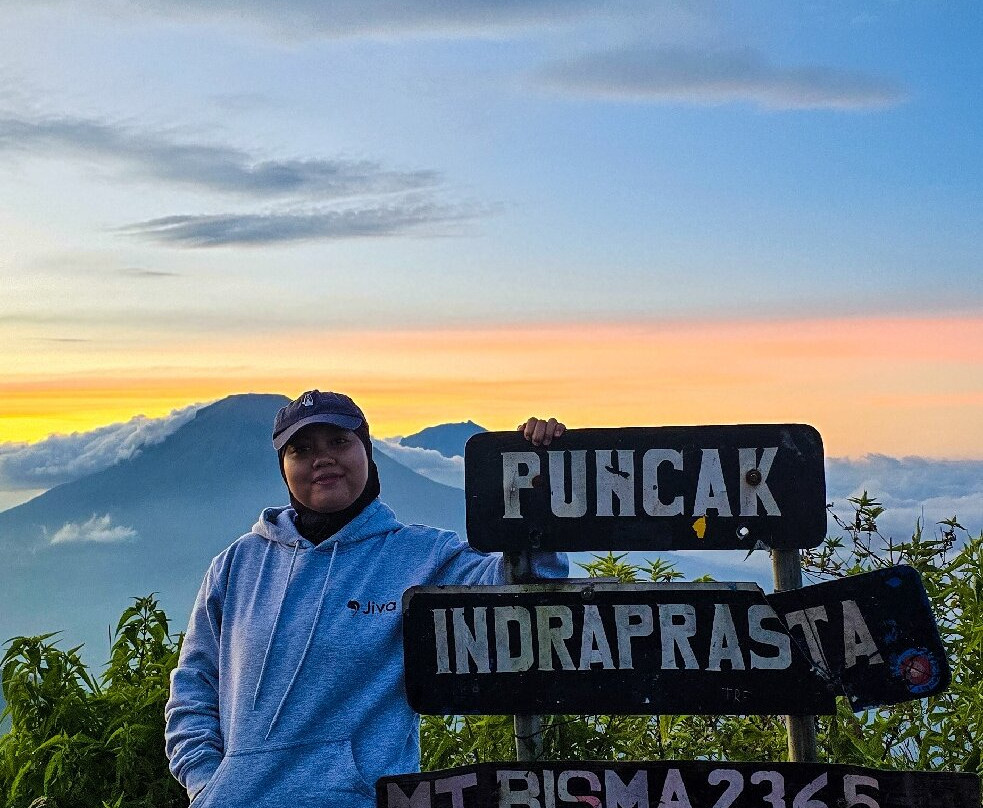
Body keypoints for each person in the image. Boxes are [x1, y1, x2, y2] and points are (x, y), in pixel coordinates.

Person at [164, 390, 568, 807]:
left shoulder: (420, 556)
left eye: (339, 441)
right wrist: (208, 783)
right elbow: (193, 687)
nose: (322, 458)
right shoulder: (236, 567)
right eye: (301, 449)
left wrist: (540, 477)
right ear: (284, 469)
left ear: (367, 452)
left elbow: (524, 589)